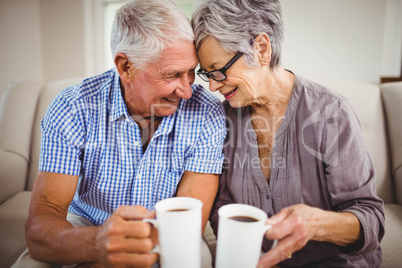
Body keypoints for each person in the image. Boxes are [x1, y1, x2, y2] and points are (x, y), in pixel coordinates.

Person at [13, 0, 226, 267]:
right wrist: (94, 243)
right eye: (172, 75)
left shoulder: (208, 112)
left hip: (173, 230)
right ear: (126, 66)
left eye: (191, 73)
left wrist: (134, 247)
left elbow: (188, 218)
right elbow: (41, 223)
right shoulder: (72, 107)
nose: (185, 91)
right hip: (87, 223)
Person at [192, 0, 385, 267]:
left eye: (220, 71)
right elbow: (221, 208)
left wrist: (317, 224)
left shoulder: (330, 112)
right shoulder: (221, 119)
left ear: (261, 48)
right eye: (207, 73)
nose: (213, 86)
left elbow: (371, 219)